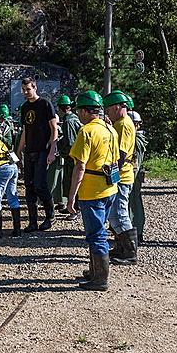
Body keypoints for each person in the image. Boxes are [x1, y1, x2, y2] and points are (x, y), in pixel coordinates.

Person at [66, 90, 119, 291]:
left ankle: (100, 279)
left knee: (96, 234)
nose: (78, 114)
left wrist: (71, 197)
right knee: (101, 229)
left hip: (92, 192)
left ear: (86, 111)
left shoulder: (87, 132)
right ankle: (95, 270)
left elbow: (79, 167)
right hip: (109, 188)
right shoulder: (110, 129)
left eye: (79, 109)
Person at [14, 77, 58, 232]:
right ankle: (32, 222)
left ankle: (49, 216)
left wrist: (52, 150)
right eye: (24, 90)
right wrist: (18, 150)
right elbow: (25, 130)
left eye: (28, 89)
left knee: (40, 185)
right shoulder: (25, 107)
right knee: (29, 187)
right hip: (29, 150)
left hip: (42, 150)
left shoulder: (45, 104)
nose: (26, 92)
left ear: (35, 88)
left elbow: (54, 129)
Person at [103, 90, 137, 265]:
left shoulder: (123, 124)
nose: (106, 112)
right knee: (115, 214)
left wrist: (111, 176)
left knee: (121, 213)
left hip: (122, 177)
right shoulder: (119, 123)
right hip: (121, 176)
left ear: (117, 107)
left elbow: (121, 155)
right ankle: (121, 247)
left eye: (108, 108)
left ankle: (130, 252)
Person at [56, 95, 82, 219]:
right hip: (73, 157)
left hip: (72, 158)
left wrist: (62, 151)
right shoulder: (73, 118)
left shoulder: (69, 121)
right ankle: (70, 207)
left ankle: (74, 209)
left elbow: (70, 142)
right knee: (68, 181)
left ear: (61, 109)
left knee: (72, 182)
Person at [128, 110, 147, 244]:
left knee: (133, 205)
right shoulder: (135, 138)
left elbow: (135, 161)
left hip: (133, 176)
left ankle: (136, 233)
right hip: (132, 176)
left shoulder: (136, 140)